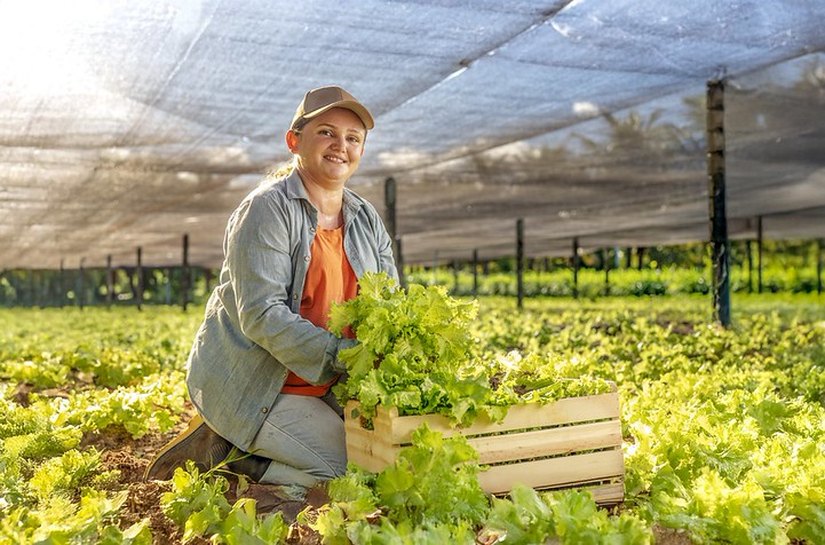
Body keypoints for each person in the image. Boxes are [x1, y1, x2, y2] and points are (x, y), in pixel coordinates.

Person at [144, 85, 398, 494]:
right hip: (263, 386)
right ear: (294, 141)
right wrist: (346, 357)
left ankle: (272, 452)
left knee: (391, 456)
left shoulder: (365, 219)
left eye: (353, 138)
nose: (341, 146)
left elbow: (391, 306)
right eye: (327, 133)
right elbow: (262, 315)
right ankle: (240, 459)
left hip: (332, 381)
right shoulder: (267, 209)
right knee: (354, 473)